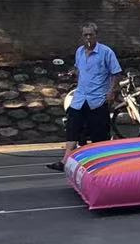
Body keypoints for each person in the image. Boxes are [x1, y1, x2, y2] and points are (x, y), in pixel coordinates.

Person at [48, 22, 121, 169]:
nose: (88, 38)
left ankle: (99, 163)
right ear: (82, 37)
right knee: (72, 129)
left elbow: (116, 73)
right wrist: (70, 74)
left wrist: (111, 92)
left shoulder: (106, 52)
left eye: (91, 35)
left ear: (96, 36)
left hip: (98, 99)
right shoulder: (79, 52)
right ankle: (65, 161)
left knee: (99, 133)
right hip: (80, 98)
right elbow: (79, 70)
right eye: (85, 35)